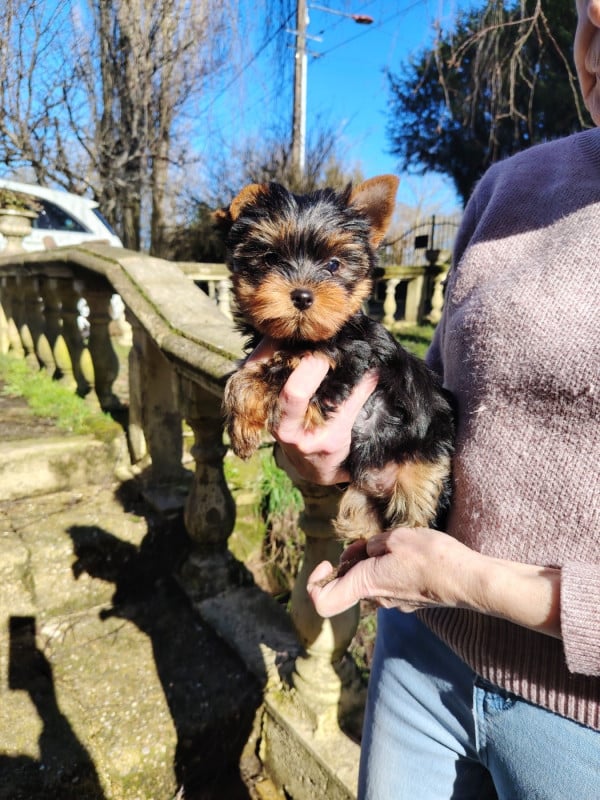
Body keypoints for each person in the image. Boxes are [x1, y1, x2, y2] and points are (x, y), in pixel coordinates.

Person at [250, 1, 600, 797]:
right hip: (418, 652)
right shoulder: (512, 187)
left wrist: (467, 582)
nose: (597, 22)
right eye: (588, 4)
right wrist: (333, 465)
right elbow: (436, 410)